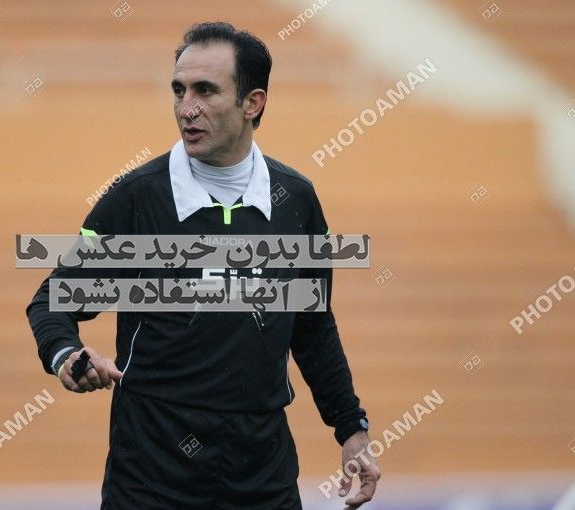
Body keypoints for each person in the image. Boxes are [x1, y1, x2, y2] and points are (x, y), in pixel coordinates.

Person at [27, 21, 380, 509]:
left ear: (252, 103)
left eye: (205, 91)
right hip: (151, 481)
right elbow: (52, 301)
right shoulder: (137, 198)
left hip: (263, 479)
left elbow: (313, 326)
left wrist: (351, 429)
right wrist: (66, 354)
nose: (186, 107)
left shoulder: (295, 200)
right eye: (179, 90)